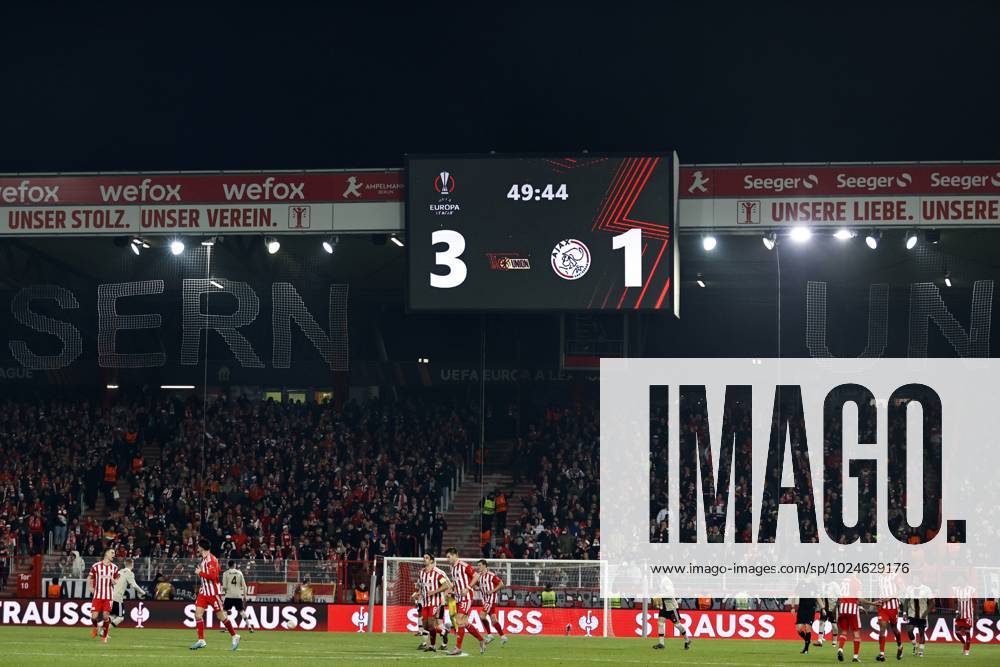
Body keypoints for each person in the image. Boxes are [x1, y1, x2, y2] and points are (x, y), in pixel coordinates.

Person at [190, 538, 241, 651]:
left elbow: (213, 577)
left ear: (202, 547)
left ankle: (234, 636)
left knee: (221, 616)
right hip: (204, 592)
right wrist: (202, 572)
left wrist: (200, 573)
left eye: (198, 546)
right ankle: (201, 640)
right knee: (198, 615)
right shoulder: (204, 560)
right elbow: (217, 571)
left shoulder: (211, 560)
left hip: (213, 593)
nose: (197, 548)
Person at [444, 547, 487, 656]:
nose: (447, 559)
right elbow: (456, 582)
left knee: (458, 620)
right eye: (447, 557)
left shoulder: (464, 565)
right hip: (458, 597)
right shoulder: (452, 567)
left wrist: (468, 587)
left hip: (466, 596)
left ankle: (458, 648)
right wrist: (450, 589)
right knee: (464, 623)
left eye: (449, 557)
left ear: (455, 555)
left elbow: (476, 576)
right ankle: (482, 640)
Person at [413, 553, 451, 652]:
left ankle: (432, 645)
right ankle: (443, 631)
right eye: (424, 558)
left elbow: (446, 585)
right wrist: (418, 593)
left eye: (427, 558)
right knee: (425, 626)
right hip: (425, 602)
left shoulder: (438, 573)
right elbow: (422, 586)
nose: (424, 559)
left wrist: (434, 592)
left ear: (431, 561)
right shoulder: (421, 573)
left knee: (431, 624)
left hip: (435, 602)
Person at [89, 548, 120, 643]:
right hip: (98, 595)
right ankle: (95, 627)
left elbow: (116, 581)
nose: (114, 554)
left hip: (108, 596)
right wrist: (91, 588)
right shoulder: (96, 566)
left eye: (114, 553)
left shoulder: (114, 567)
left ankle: (104, 636)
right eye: (112, 552)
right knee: (94, 617)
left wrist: (113, 581)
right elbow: (91, 578)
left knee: (106, 616)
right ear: (106, 553)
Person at [476, 559, 508, 646]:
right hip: (485, 600)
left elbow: (501, 584)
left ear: (485, 566)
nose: (478, 567)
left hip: (491, 599)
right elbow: (482, 587)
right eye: (477, 566)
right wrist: (477, 588)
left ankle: (490, 635)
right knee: (493, 620)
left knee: (482, 616)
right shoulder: (479, 577)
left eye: (479, 565)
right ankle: (503, 636)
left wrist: (492, 591)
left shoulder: (491, 575)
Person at [220, 561, 255, 633]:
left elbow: (224, 587)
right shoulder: (239, 573)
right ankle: (249, 626)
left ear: (228, 565)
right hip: (238, 596)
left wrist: (223, 592)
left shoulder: (225, 573)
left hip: (229, 595)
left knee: (225, 611)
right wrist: (245, 596)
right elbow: (244, 586)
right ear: (234, 565)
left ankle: (227, 628)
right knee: (241, 611)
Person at [111, 558, 146, 627]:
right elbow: (134, 585)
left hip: (111, 596)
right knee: (120, 618)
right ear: (132, 564)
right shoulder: (130, 573)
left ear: (125, 564)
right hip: (118, 598)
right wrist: (143, 592)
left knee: (112, 616)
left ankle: (99, 627)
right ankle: (102, 630)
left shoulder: (119, 571)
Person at [875, 574, 903, 661]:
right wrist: (877, 602)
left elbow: (902, 589)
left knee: (894, 628)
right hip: (883, 607)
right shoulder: (879, 577)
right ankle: (882, 654)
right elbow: (878, 590)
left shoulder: (895, 576)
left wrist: (889, 597)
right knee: (882, 628)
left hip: (893, 607)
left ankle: (900, 646)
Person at [902, 584, 932, 657]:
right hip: (912, 614)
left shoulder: (926, 588)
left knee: (921, 633)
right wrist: (904, 612)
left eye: (917, 578)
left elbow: (932, 602)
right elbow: (906, 601)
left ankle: (921, 651)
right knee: (909, 631)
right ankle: (915, 645)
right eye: (914, 578)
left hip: (922, 615)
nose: (916, 580)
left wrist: (926, 612)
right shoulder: (909, 588)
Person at [791, 588, 818, 654]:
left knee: (807, 628)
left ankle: (806, 649)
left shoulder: (814, 586)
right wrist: (793, 607)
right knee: (799, 629)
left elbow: (818, 598)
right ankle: (807, 640)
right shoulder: (800, 584)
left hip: (811, 609)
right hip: (802, 609)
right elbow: (794, 595)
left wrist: (823, 608)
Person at [954, 585, 976, 657]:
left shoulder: (971, 589)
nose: (960, 581)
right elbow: (955, 602)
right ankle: (964, 644)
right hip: (959, 615)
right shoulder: (956, 590)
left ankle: (967, 651)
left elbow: (975, 602)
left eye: (961, 579)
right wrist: (956, 611)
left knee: (967, 633)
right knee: (956, 632)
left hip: (968, 615)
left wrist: (976, 614)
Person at [816, 582, 839, 648]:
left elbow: (839, 597)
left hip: (833, 608)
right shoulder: (823, 585)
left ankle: (834, 641)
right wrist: (822, 607)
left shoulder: (835, 585)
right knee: (821, 623)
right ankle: (819, 640)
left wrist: (836, 607)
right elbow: (818, 596)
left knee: (834, 626)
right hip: (825, 607)